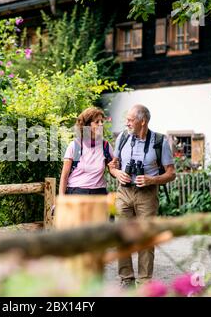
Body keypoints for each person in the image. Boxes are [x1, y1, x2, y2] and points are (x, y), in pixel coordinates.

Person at [109, 104, 176, 287]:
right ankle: (127, 279)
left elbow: (171, 173)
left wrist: (151, 180)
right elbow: (112, 165)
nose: (127, 123)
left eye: (130, 120)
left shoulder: (159, 142)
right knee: (122, 235)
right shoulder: (123, 137)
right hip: (124, 191)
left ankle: (145, 282)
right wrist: (117, 173)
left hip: (147, 195)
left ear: (143, 121)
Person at [59, 107, 114, 196]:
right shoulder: (75, 146)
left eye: (102, 122)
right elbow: (64, 176)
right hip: (76, 193)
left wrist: (115, 167)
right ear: (87, 125)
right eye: (97, 122)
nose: (101, 124)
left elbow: (113, 170)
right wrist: (61, 198)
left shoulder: (105, 146)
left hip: (99, 194)